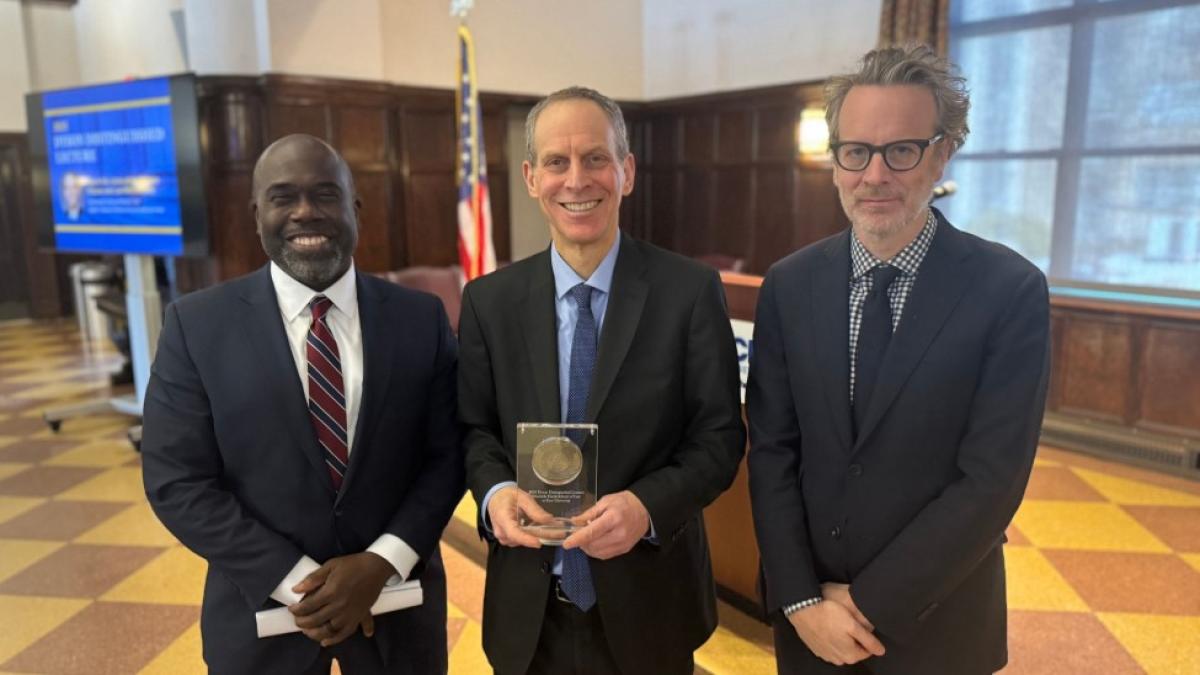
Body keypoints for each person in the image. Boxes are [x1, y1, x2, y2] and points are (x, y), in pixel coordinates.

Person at [747, 44, 1051, 674]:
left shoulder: (1009, 289)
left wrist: (865, 606)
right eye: (855, 152)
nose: (874, 175)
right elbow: (774, 449)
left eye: (901, 151)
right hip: (809, 625)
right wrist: (801, 600)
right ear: (834, 161)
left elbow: (991, 481)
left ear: (942, 153)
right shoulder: (790, 284)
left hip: (938, 625)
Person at [141, 134, 462, 674]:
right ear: (256, 212)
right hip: (260, 617)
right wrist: (300, 585)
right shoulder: (196, 326)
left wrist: (383, 562)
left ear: (355, 208)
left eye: (325, 194)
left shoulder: (421, 320)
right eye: (283, 197)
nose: (305, 213)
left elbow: (449, 454)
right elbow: (177, 480)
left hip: (397, 611)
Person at [458, 86, 746, 675]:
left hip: (653, 605)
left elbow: (719, 439)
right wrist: (494, 494)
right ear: (532, 177)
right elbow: (472, 431)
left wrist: (645, 507)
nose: (577, 180)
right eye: (557, 163)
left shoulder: (688, 293)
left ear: (627, 171)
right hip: (526, 614)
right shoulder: (489, 302)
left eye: (595, 158)